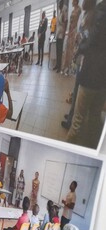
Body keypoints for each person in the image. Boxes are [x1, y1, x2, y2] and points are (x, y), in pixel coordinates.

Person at [66, 0, 106, 148]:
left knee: (79, 118)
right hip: (103, 78)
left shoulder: (100, 11)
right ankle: (91, 146)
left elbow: (92, 41)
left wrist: (79, 49)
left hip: (91, 73)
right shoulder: (94, 11)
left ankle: (70, 148)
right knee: (94, 118)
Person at [63, 0, 82, 75]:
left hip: (74, 31)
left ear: (76, 1)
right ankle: (65, 67)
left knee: (71, 50)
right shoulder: (73, 10)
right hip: (70, 30)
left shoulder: (79, 9)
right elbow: (70, 22)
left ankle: (70, 68)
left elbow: (77, 21)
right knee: (67, 49)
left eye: (73, 1)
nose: (72, 2)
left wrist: (75, 32)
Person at [54, 0, 69, 72]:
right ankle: (57, 65)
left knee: (60, 51)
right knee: (57, 50)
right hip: (58, 33)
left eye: (59, 3)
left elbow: (66, 21)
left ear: (62, 3)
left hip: (61, 34)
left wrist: (63, 33)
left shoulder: (64, 9)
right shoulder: (59, 11)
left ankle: (59, 67)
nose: (58, 5)